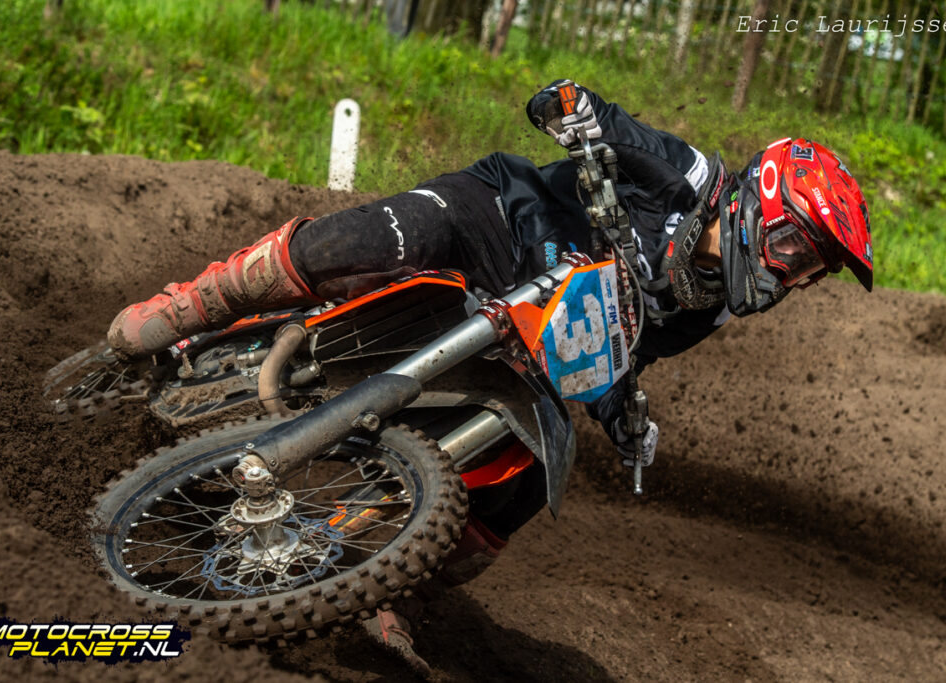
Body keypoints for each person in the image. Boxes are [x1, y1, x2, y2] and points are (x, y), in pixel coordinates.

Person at [107, 80, 873, 670]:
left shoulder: (710, 309)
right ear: (758, 205)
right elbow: (602, 118)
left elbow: (621, 352)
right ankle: (193, 304)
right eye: (796, 250)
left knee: (525, 483)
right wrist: (569, 110)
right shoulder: (687, 175)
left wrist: (621, 417)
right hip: (499, 221)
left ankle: (377, 576)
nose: (792, 277)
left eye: (811, 270)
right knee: (376, 237)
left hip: (540, 321)